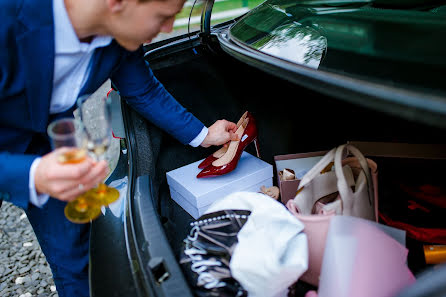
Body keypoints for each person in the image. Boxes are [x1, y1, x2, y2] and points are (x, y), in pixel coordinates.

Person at [0, 0, 238, 295]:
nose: (167, 28)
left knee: (77, 256)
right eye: (164, 17)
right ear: (117, 2)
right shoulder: (7, 17)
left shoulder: (118, 32)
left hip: (51, 145)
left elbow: (143, 89)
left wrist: (203, 135)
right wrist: (29, 175)